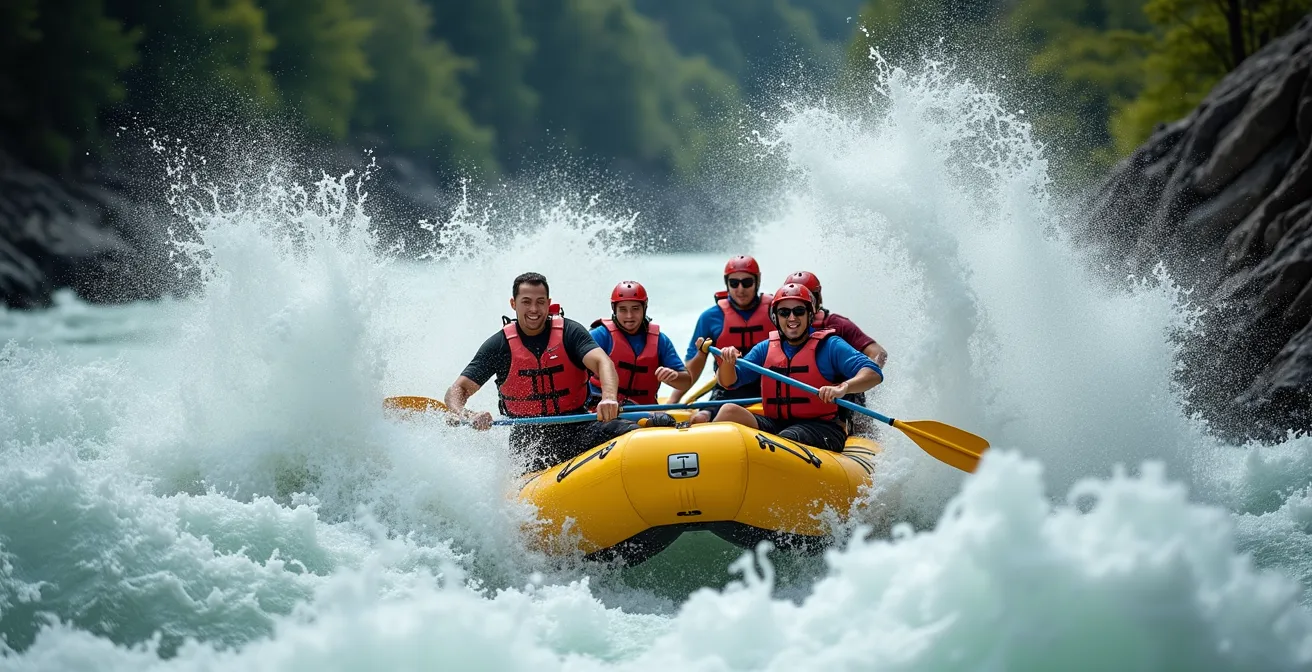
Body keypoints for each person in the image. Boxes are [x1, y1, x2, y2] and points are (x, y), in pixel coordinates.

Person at [444, 272, 635, 474]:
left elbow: (603, 363)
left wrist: (609, 398)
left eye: (540, 302)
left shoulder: (570, 332)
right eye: (526, 302)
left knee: (631, 433)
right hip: (529, 442)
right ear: (513, 304)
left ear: (548, 303)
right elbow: (457, 390)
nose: (534, 309)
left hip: (578, 426)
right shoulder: (499, 346)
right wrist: (467, 414)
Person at [708, 282, 883, 452]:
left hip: (821, 428)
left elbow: (873, 373)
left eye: (799, 311)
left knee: (788, 437)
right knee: (729, 411)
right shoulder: (765, 348)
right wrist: (727, 363)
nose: (792, 318)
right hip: (776, 423)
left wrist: (843, 388)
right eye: (784, 312)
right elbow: (729, 382)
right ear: (776, 317)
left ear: (810, 315)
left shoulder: (830, 346)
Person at [671, 255, 774, 422]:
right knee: (700, 418)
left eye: (747, 282)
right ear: (726, 283)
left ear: (758, 281)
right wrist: (672, 401)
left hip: (769, 390)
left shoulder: (777, 312)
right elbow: (692, 370)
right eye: (734, 283)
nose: (740, 289)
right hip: (727, 390)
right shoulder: (710, 317)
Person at [588, 281, 693, 405]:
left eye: (635, 309)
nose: (629, 316)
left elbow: (686, 382)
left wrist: (674, 376)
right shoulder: (599, 336)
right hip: (601, 407)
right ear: (614, 309)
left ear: (645, 307)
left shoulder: (660, 341)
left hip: (643, 410)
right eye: (623, 309)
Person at [783, 270, 888, 367]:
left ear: (816, 298)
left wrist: (864, 376)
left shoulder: (838, 325)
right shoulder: (780, 326)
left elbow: (879, 354)